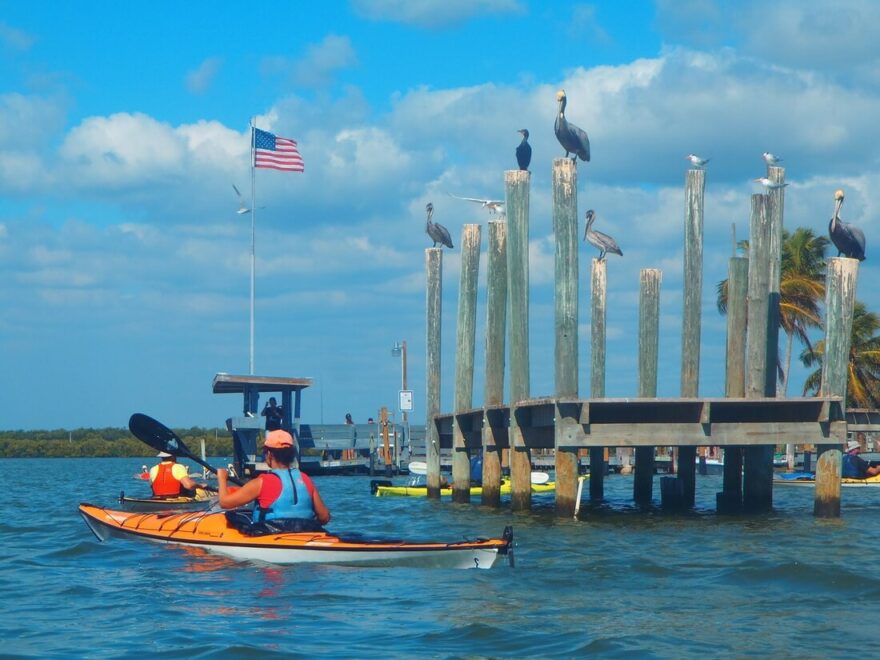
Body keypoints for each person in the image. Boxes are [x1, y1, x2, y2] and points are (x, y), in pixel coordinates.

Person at [217, 429, 331, 531]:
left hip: (269, 536)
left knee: (232, 518)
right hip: (305, 534)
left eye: (265, 452)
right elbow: (324, 517)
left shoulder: (262, 482)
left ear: (270, 454)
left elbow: (224, 502)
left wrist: (222, 478)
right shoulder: (305, 479)